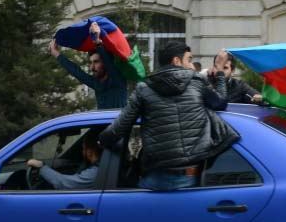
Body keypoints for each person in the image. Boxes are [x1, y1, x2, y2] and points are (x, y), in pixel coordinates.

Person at [100, 41, 239, 191]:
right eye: (189, 60)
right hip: (193, 178)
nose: (192, 66)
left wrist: (101, 140)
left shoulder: (143, 88)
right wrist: (219, 70)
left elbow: (119, 128)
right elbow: (220, 102)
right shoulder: (197, 83)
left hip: (157, 178)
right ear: (176, 61)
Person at [50, 21, 127, 109]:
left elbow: (109, 63)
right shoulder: (97, 83)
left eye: (96, 62)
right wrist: (56, 54)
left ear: (105, 63)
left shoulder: (118, 80)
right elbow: (77, 72)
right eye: (91, 63)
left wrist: (97, 41)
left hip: (121, 123)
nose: (92, 67)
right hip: (104, 123)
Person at [25, 130, 102, 189]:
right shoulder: (101, 167)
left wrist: (41, 167)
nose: (82, 151)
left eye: (83, 148)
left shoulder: (96, 171)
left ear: (89, 152)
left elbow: (65, 184)